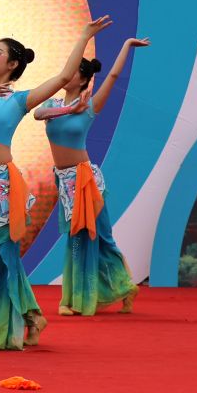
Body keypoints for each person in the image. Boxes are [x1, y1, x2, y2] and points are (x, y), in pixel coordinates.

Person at [0, 16, 110, 351]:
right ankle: (27, 315)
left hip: (0, 183)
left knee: (3, 255)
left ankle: (8, 324)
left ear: (13, 64)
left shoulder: (18, 101)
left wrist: (86, 35)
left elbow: (62, 78)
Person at [36, 36, 150, 316]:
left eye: (74, 71)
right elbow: (37, 113)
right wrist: (68, 109)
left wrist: (126, 45)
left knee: (98, 238)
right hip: (65, 181)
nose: (67, 75)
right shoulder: (52, 104)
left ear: (84, 79)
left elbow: (112, 76)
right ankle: (89, 294)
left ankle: (82, 298)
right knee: (75, 238)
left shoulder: (90, 106)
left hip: (85, 180)